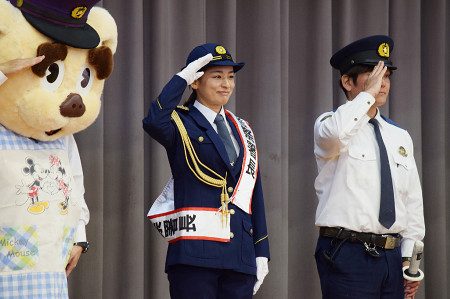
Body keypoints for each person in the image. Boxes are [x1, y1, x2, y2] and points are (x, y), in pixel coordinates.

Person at [143, 43, 270, 298]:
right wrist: (182, 77)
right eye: (217, 76)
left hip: (239, 256)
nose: (226, 84)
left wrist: (262, 252)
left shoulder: (241, 128)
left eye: (231, 77)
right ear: (196, 82)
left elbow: (253, 190)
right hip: (195, 256)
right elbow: (153, 122)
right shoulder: (180, 122)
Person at [313, 35, 425, 298]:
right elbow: (337, 134)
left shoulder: (399, 135)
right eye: (373, 75)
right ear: (347, 81)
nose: (382, 83)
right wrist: (366, 96)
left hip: (392, 255)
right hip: (347, 252)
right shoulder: (329, 124)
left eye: (386, 75)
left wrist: (410, 259)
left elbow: (411, 201)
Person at [0, 56, 90, 277]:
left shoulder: (60, 133)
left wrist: (79, 235)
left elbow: (75, 183)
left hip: (53, 256)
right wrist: (2, 71)